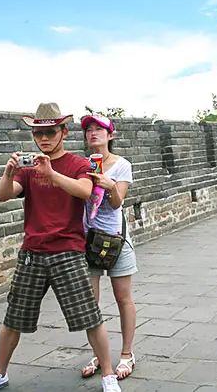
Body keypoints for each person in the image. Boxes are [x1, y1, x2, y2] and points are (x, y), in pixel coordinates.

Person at [0, 103, 122, 392]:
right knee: (13, 317)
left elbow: (85, 191)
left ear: (63, 132)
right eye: (38, 132)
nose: (44, 138)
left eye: (50, 131)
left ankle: (108, 375)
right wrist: (8, 172)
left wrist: (52, 173)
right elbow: (4, 196)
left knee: (90, 316)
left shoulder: (78, 164)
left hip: (68, 250)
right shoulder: (28, 169)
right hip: (33, 251)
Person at [80, 115, 138, 381]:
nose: (93, 134)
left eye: (99, 129)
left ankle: (127, 354)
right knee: (90, 303)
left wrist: (109, 184)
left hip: (115, 240)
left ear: (110, 135)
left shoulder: (121, 165)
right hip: (88, 240)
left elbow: (117, 203)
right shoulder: (81, 166)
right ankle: (99, 355)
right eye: (89, 130)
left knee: (123, 299)